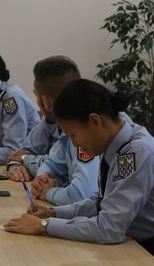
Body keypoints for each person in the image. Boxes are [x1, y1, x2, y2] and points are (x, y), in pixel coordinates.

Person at [3, 79, 154, 266]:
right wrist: (54, 213)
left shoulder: (135, 152)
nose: (74, 145)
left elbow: (109, 228)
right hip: (149, 250)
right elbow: (101, 201)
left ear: (95, 121)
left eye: (73, 135)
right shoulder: (113, 141)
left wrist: (44, 226)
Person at [6, 56, 98, 205]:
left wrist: (48, 192)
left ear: (46, 101)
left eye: (35, 94)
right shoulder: (64, 125)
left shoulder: (84, 128)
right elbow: (52, 162)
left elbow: (82, 195)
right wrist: (42, 179)